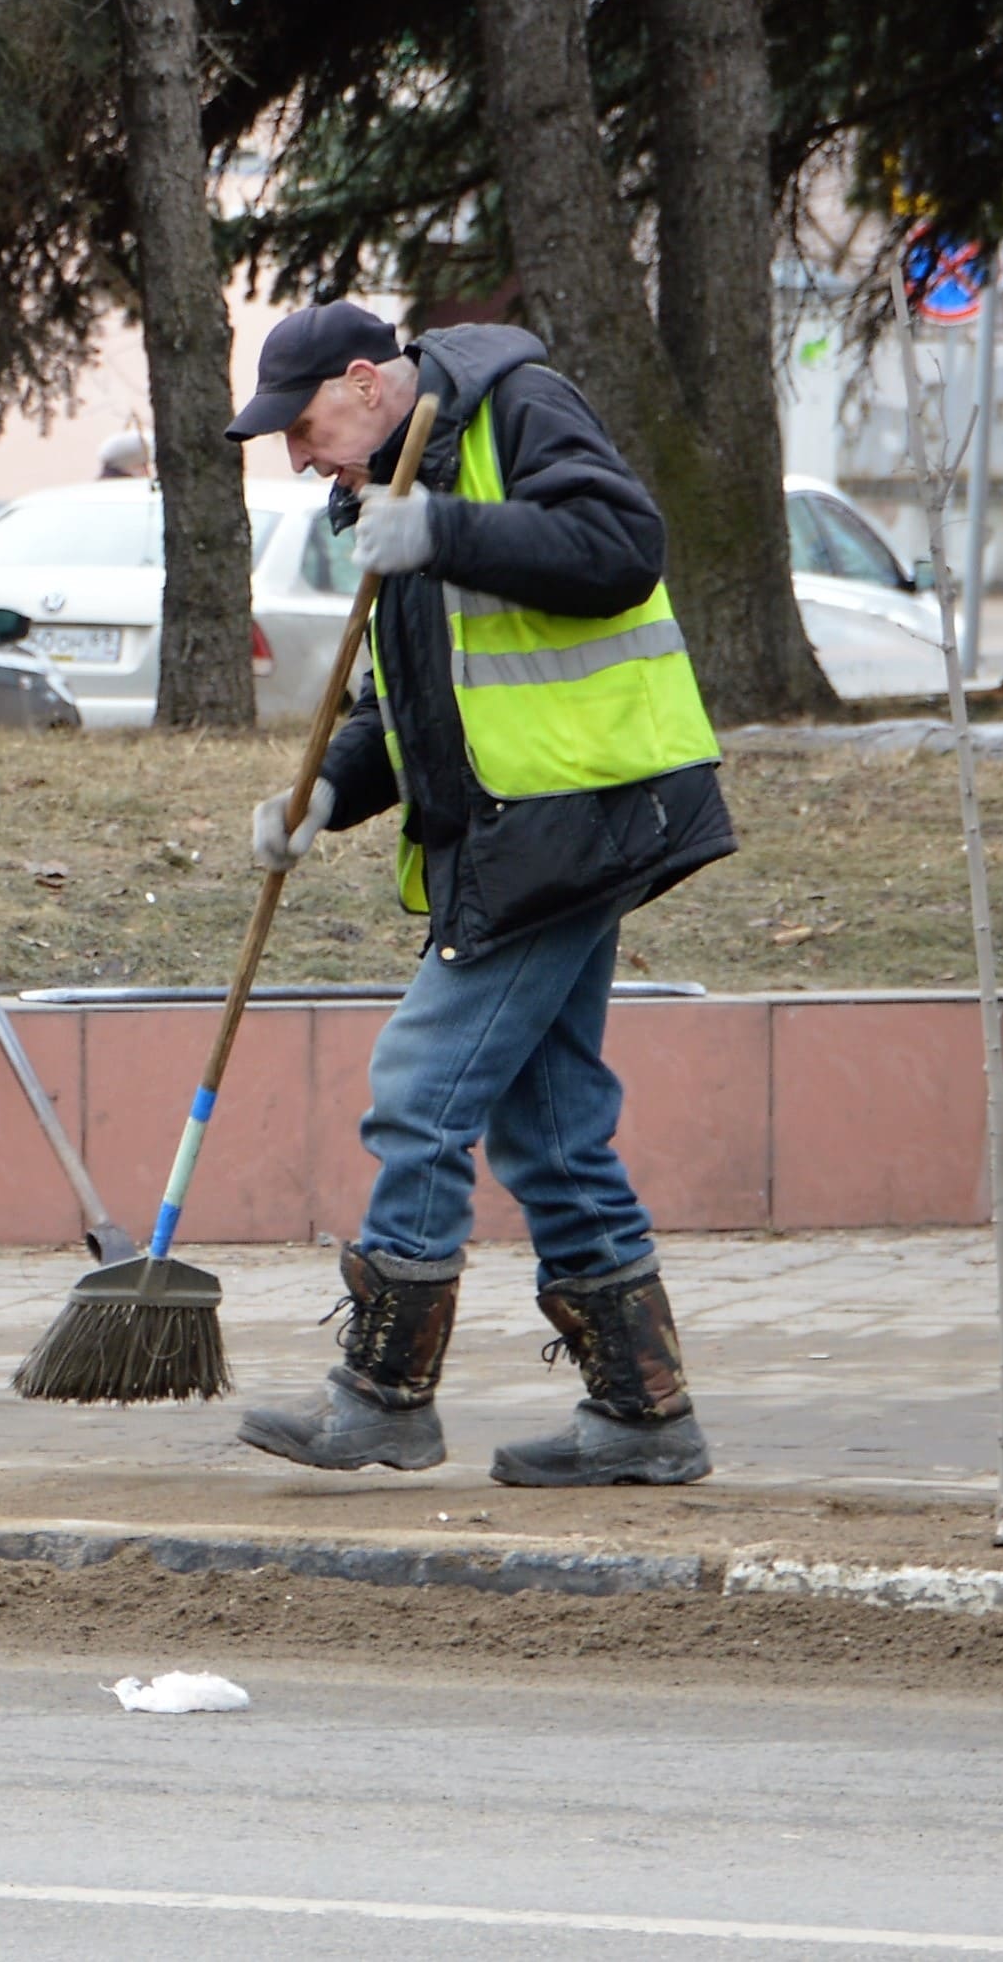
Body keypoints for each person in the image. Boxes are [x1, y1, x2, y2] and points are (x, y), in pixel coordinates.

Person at [225, 301, 733, 1487]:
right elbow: (412, 704)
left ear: (362, 383)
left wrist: (440, 529)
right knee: (549, 1133)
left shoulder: (515, 408)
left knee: (417, 1091)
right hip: (511, 834)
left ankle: (386, 1395)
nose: (299, 460)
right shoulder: (385, 493)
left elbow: (621, 551)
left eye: (302, 430)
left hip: (574, 822)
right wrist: (326, 794)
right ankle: (644, 1417)